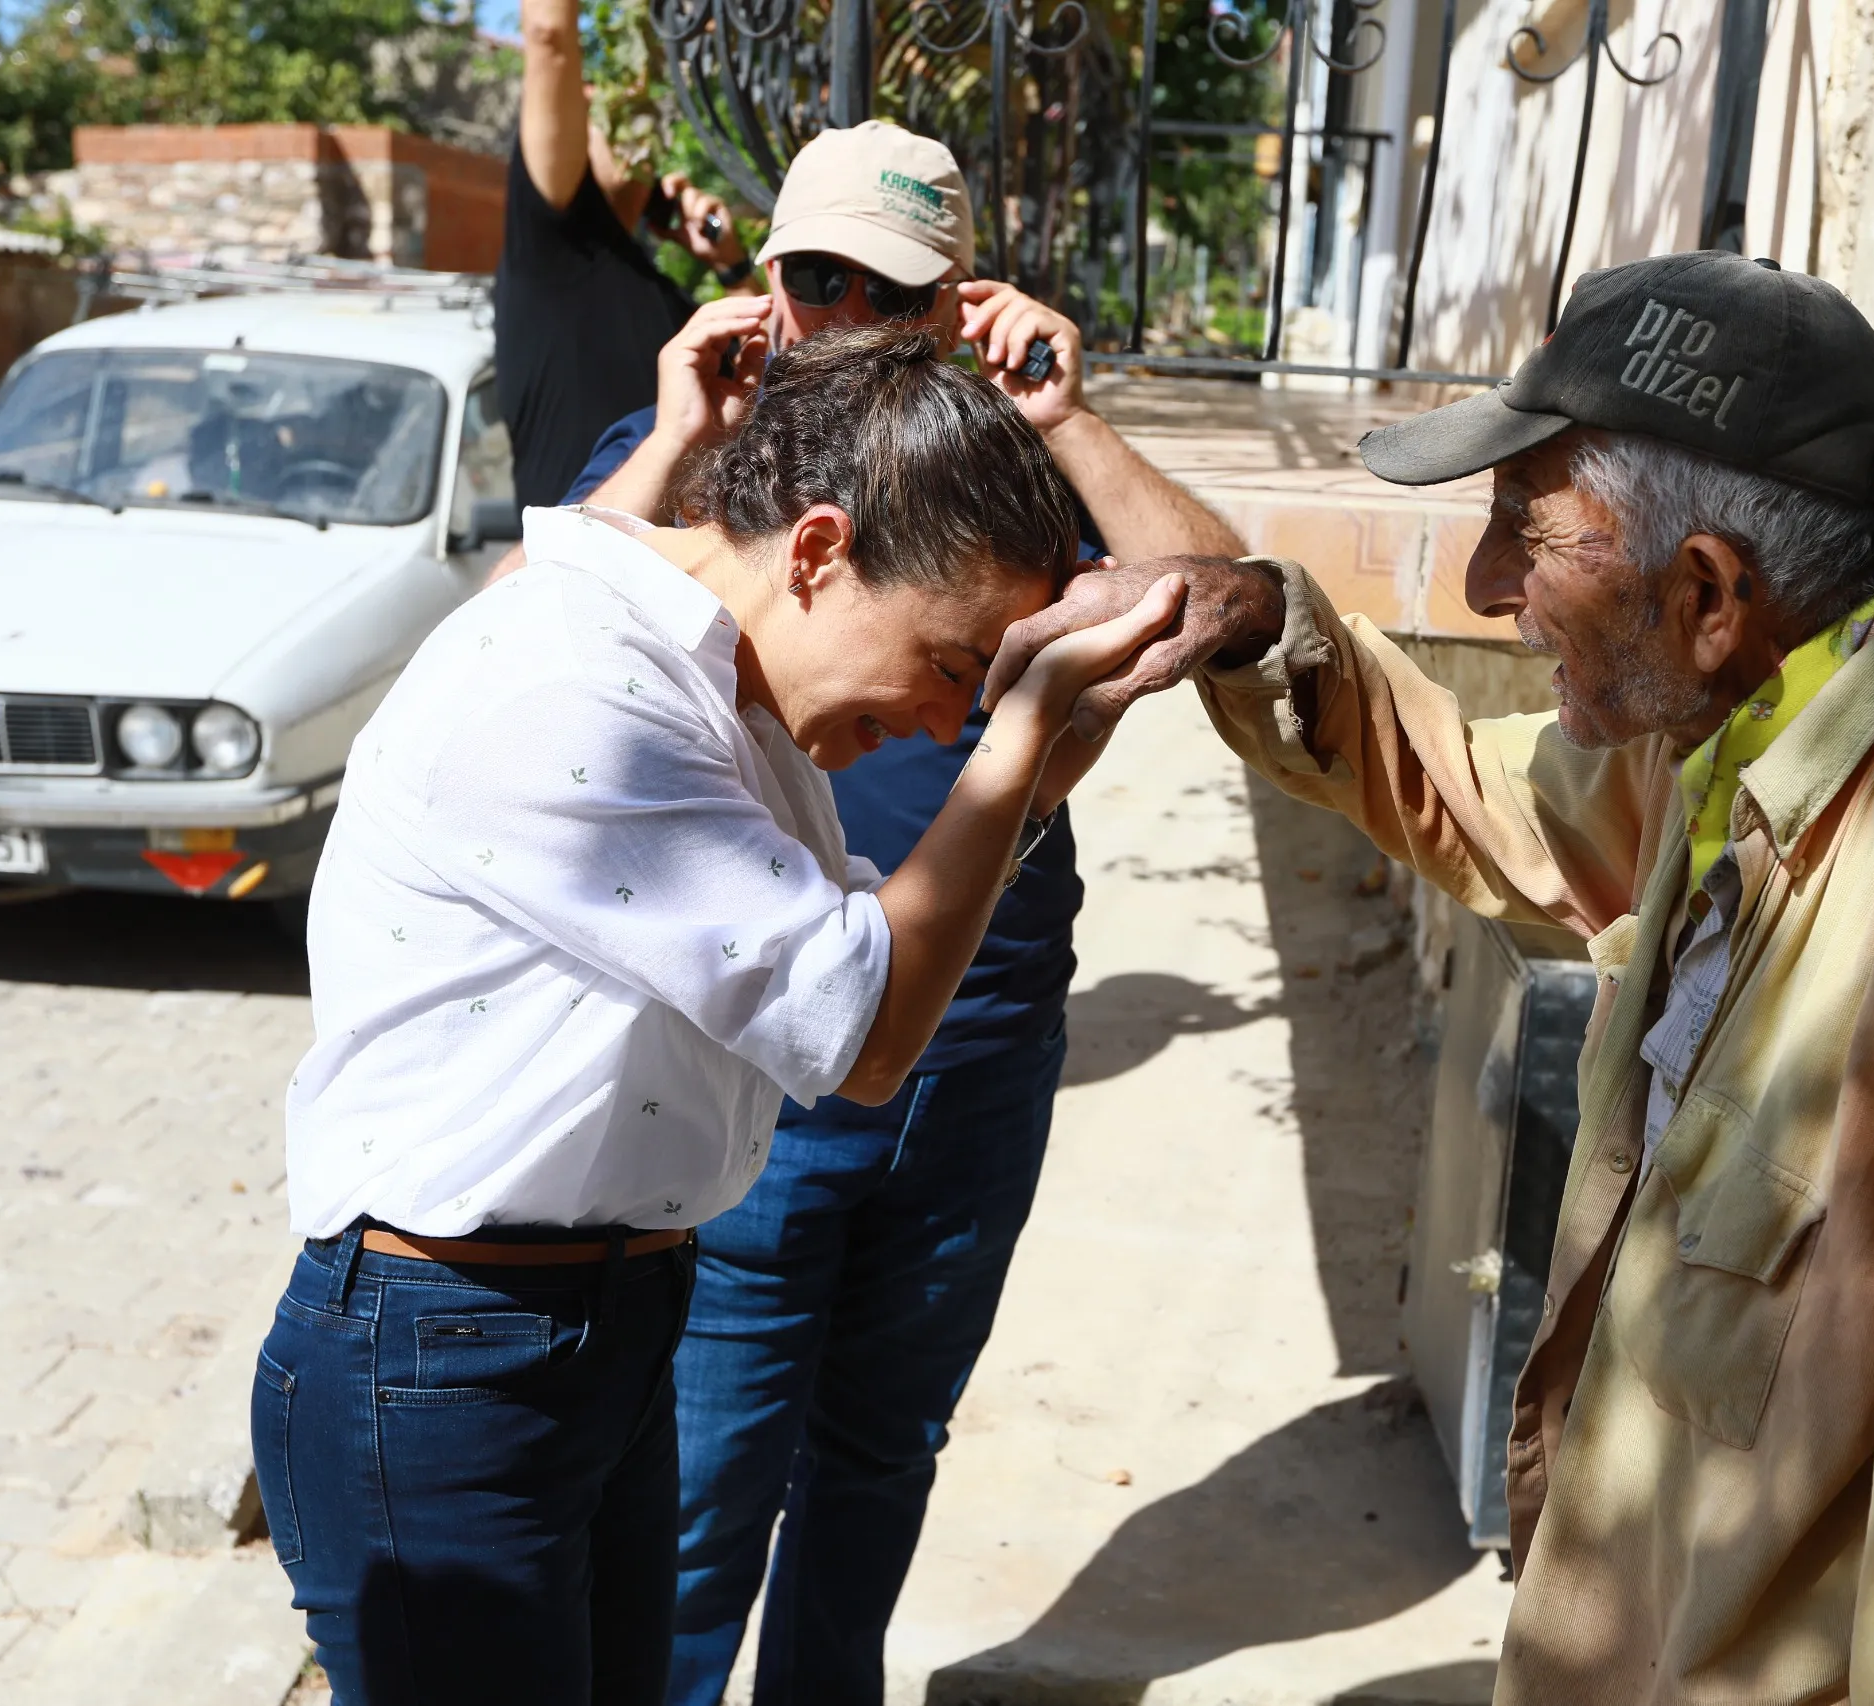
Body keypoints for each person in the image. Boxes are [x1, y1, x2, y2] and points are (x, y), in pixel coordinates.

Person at [992, 251, 1874, 1701]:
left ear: (1709, 589)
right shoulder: (1755, 714)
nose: (1485, 589)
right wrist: (1266, 623)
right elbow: (1487, 795)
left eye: (1529, 535)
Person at [252, 324, 1182, 1706]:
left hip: (585, 1326)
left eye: (975, 688)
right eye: (950, 662)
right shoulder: (586, 694)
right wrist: (1019, 742)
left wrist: (1032, 761)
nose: (945, 720)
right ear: (817, 548)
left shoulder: (718, 690)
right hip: (447, 1357)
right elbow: (866, 1036)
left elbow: (865, 945)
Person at [533, 120, 1249, 1706]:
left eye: (893, 286)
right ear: (767, 282)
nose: (847, 309)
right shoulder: (693, 462)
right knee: (708, 1478)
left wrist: (1072, 420)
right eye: (818, 274)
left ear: (955, 304)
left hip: (978, 1047)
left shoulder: (1005, 479)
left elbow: (1216, 596)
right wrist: (667, 431)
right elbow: (532, 647)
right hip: (769, 1060)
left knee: (884, 1448)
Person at [494, 0, 752, 511]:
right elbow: (549, 34)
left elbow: (760, 377)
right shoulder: (553, 245)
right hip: (566, 575)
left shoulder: (667, 297)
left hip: (672, 578)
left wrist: (732, 266)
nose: (619, 108)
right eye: (593, 104)